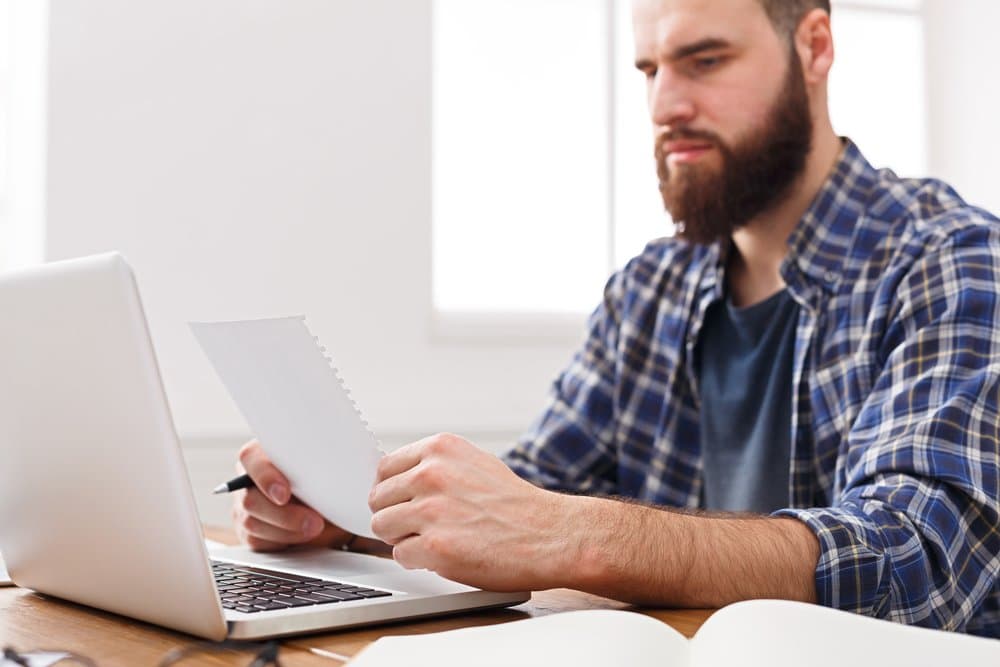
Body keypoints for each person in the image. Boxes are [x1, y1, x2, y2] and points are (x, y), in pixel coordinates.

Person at [231, 0, 1000, 636]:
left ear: (815, 45)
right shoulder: (648, 290)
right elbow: (527, 499)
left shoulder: (951, 260)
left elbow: (920, 561)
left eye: (705, 60)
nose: (666, 105)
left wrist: (577, 536)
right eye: (649, 69)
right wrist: (347, 517)